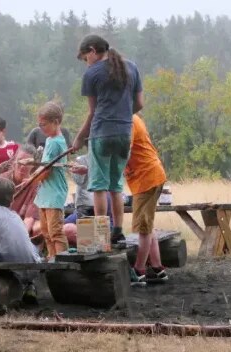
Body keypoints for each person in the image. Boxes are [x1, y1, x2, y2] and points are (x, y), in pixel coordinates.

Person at [72, 34, 144, 244]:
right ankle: (118, 231)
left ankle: (101, 236)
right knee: (116, 185)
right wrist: (122, 113)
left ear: (93, 51)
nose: (87, 63)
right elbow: (139, 103)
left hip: (101, 133)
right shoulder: (131, 67)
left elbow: (93, 112)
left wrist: (78, 139)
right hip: (124, 134)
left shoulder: (92, 73)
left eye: (86, 57)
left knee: (99, 186)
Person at [125, 115, 168, 284]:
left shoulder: (128, 121)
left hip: (147, 178)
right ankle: (158, 268)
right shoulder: (131, 118)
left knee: (143, 227)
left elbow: (124, 152)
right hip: (149, 177)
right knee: (148, 224)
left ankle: (139, 270)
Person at [31, 102, 69, 261]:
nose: (41, 128)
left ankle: (62, 261)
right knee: (46, 232)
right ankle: (52, 258)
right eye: (39, 125)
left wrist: (32, 178)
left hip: (54, 194)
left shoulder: (55, 142)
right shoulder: (48, 140)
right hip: (45, 194)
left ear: (56, 122)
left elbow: (46, 170)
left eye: (44, 124)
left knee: (56, 232)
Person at [63, 154, 114, 246]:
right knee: (65, 225)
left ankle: (92, 248)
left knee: (67, 229)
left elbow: (79, 181)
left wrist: (74, 171)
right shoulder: (105, 186)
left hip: (103, 231)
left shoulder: (98, 194)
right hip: (103, 227)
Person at [0, 144, 41, 236]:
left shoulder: (36, 185)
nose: (23, 166)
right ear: (14, 161)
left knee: (38, 228)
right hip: (0, 223)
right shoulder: (0, 181)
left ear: (33, 165)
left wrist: (19, 239)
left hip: (21, 226)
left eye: (28, 163)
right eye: (20, 161)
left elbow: (29, 218)